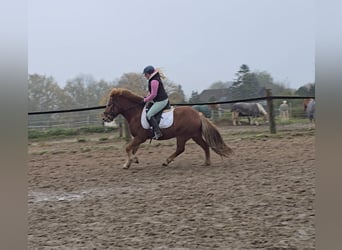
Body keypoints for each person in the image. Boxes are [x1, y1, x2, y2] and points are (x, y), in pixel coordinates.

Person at [142, 65, 169, 139]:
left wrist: (145, 100)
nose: (145, 76)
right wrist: (146, 97)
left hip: (161, 101)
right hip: (158, 100)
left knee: (149, 115)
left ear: (149, 74)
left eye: (145, 74)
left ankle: (158, 132)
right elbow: (151, 92)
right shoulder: (152, 79)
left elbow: (153, 94)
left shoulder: (154, 81)